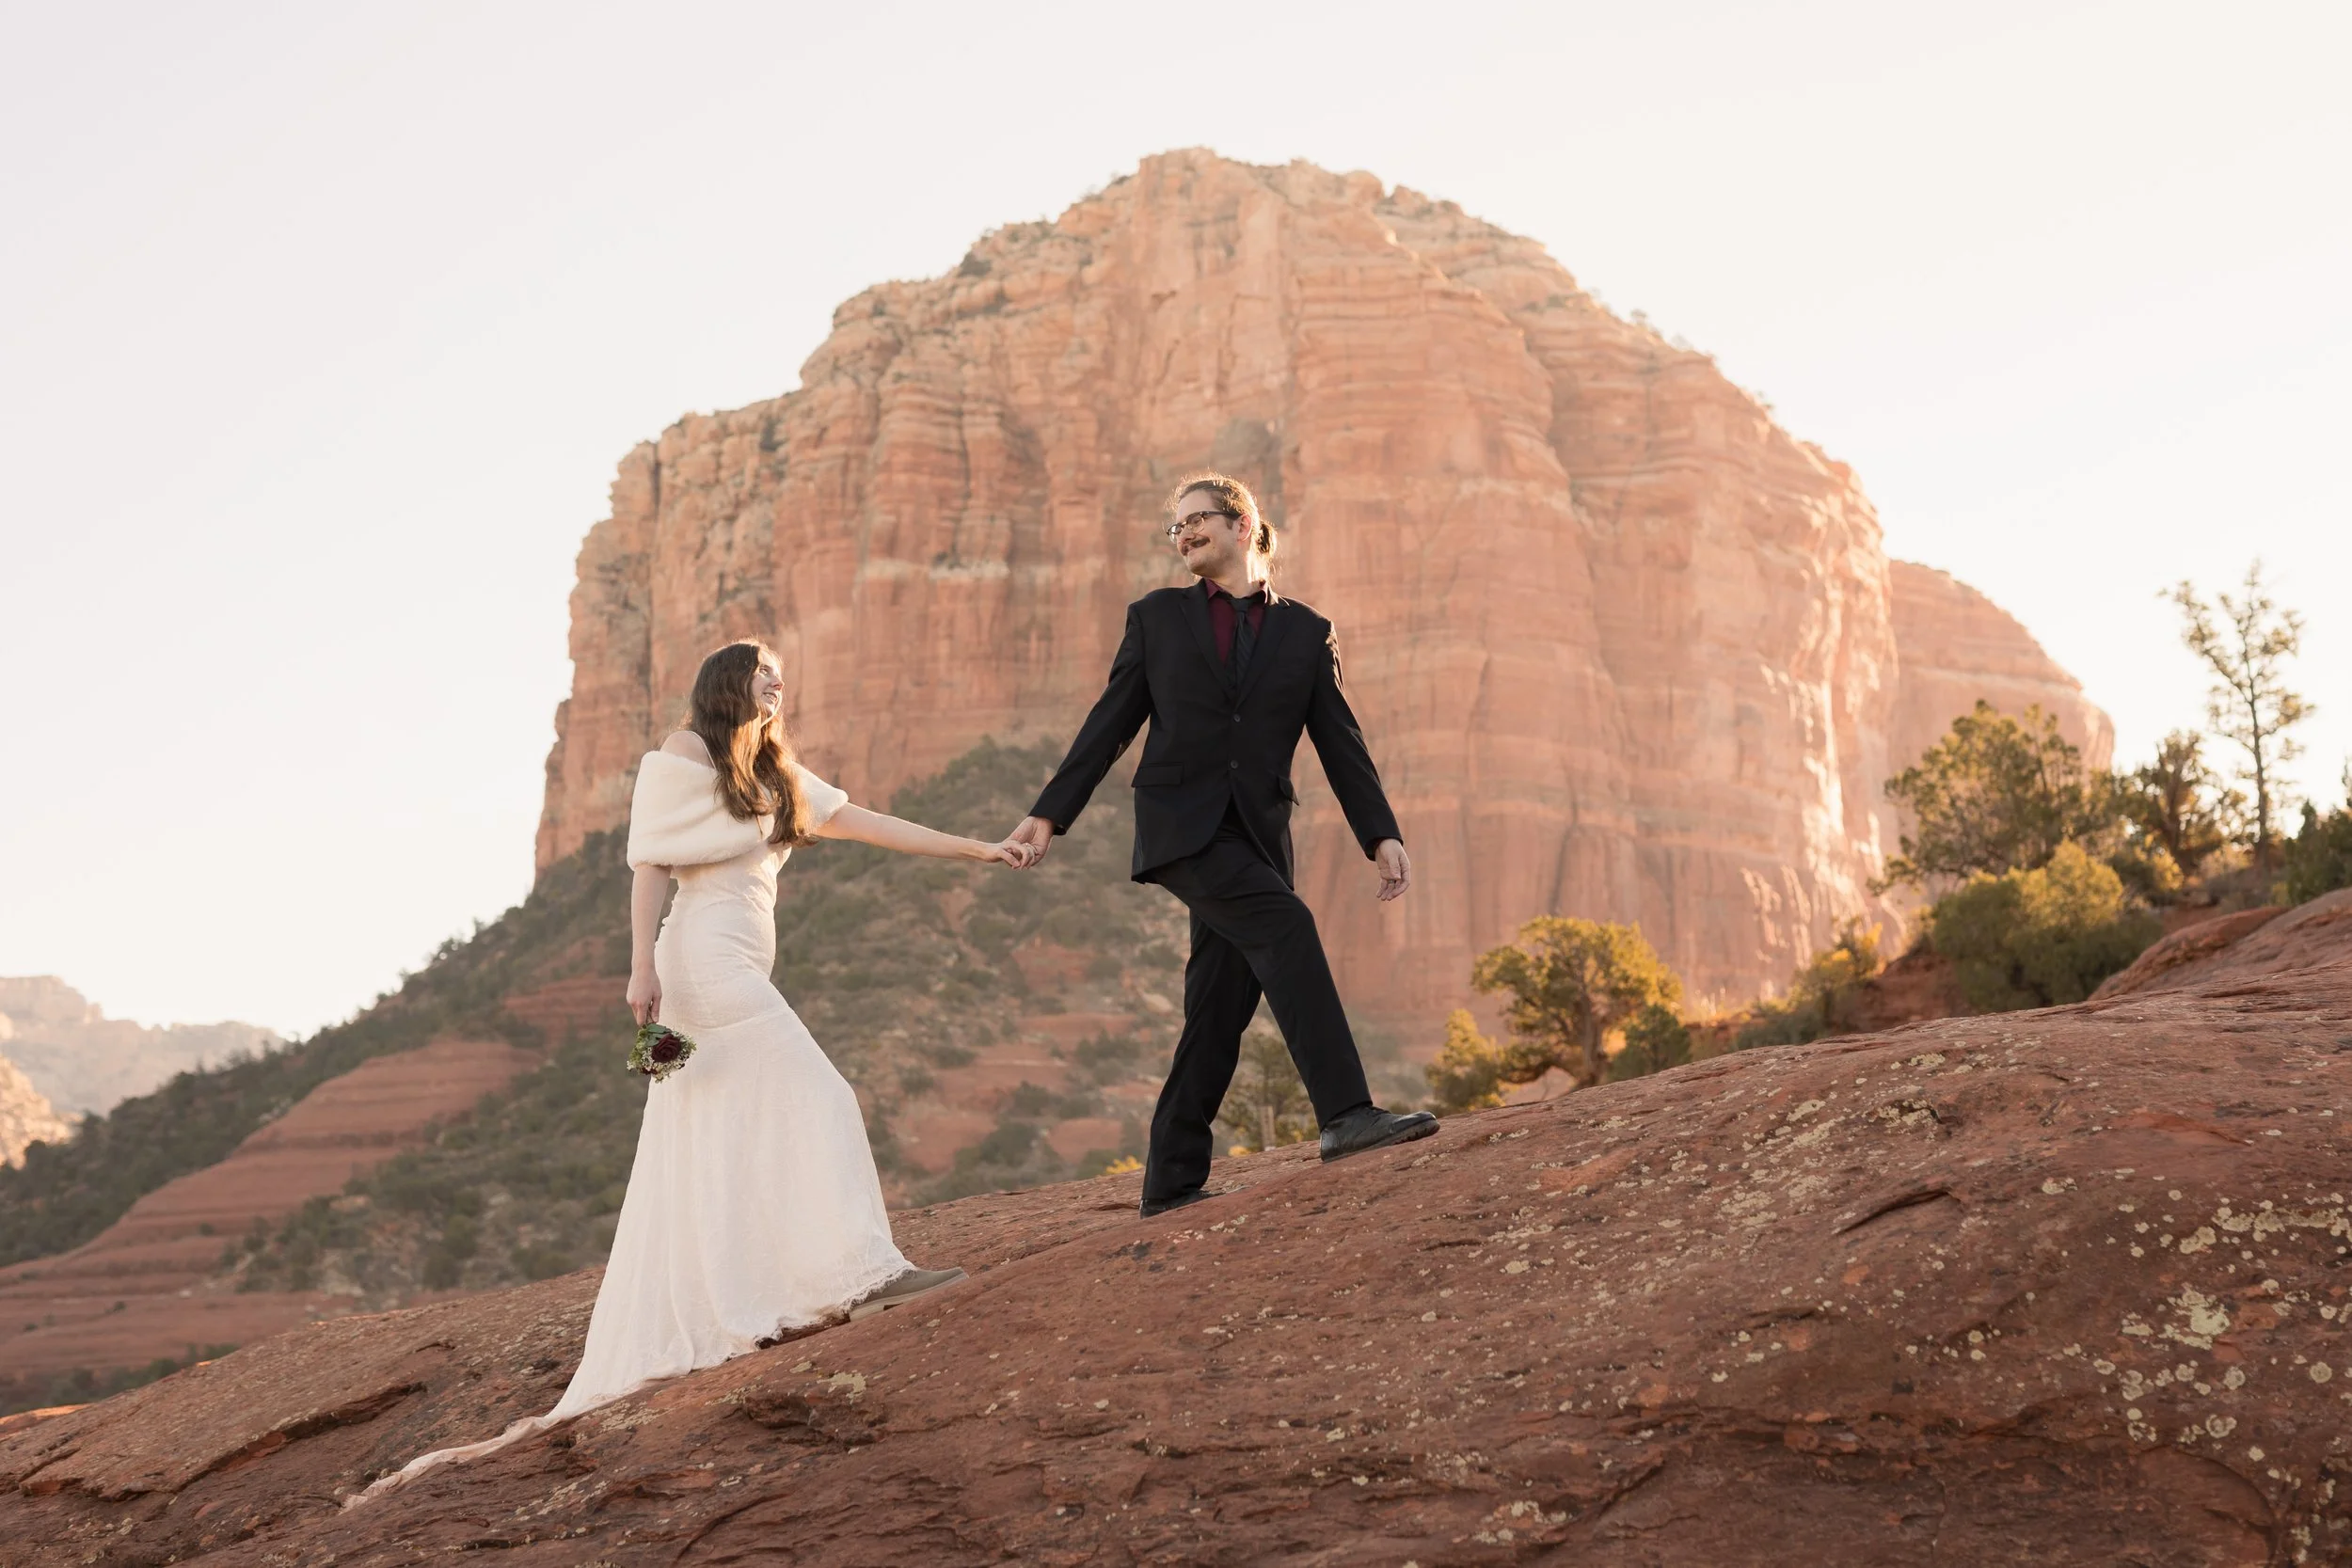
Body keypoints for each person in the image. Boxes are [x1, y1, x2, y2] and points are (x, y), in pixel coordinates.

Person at [354, 640, 1033, 1502]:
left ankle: (793, 1277)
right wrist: (640, 967)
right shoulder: (681, 756)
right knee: (821, 1095)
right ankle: (868, 1275)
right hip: (702, 958)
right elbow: (647, 864)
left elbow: (868, 822)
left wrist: (978, 849)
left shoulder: (777, 770)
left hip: (743, 956)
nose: (778, 684)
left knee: (743, 1122)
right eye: (763, 672)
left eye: (783, 674)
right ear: (728, 683)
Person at [1009, 473, 1436, 1219]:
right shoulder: (1157, 619)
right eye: (1174, 528)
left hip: (1259, 833)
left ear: (1241, 524)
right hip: (1182, 824)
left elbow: (1341, 742)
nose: (1182, 536)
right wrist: (1050, 814)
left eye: (1194, 521)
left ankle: (1170, 1179)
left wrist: (1381, 831)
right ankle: (1344, 1115)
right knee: (1287, 924)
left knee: (1219, 1002)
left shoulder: (1307, 632)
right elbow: (1110, 723)